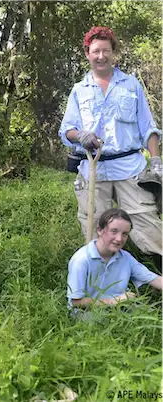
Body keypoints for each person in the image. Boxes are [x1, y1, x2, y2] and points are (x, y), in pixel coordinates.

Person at [59, 26, 162, 258]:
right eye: (95, 51)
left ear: (113, 52)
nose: (101, 56)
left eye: (106, 50)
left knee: (146, 222)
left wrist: (156, 161)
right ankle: (102, 274)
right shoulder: (78, 91)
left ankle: (158, 268)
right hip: (94, 169)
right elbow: (67, 130)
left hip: (129, 167)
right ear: (87, 54)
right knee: (95, 226)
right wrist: (81, 136)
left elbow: (148, 127)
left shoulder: (131, 85)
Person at [67, 208, 163, 308]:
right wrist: (114, 301)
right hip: (88, 314)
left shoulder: (125, 257)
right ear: (100, 230)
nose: (119, 239)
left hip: (119, 310)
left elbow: (154, 279)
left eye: (124, 234)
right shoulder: (82, 259)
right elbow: (76, 302)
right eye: (114, 231)